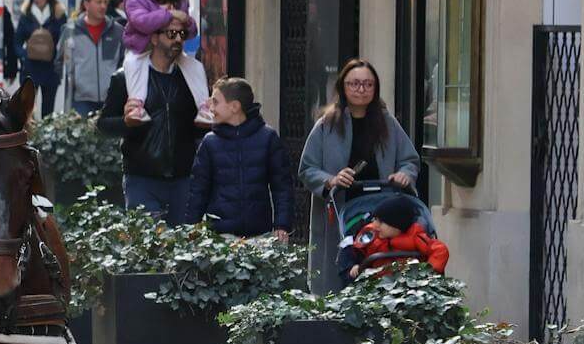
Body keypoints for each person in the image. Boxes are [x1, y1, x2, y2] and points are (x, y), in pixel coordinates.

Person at [298, 58, 423, 287]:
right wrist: (331, 180)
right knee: (340, 274)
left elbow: (409, 160)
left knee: (380, 270)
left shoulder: (387, 122)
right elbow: (307, 168)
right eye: (354, 84)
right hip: (341, 210)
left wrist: (405, 174)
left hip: (381, 212)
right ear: (342, 87)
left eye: (368, 84)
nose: (361, 89)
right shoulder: (327, 124)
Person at [96, 10, 210, 222]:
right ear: (155, 37)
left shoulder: (191, 79)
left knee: (184, 249)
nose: (178, 39)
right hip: (142, 178)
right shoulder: (126, 78)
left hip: (183, 178)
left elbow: (195, 127)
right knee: (149, 249)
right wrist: (127, 123)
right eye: (172, 33)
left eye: (182, 34)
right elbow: (102, 125)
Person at [187, 77, 292, 240]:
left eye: (215, 102)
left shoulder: (267, 137)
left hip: (260, 234)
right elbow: (197, 191)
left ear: (235, 106)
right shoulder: (210, 143)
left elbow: (282, 186)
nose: (210, 107)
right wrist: (191, 228)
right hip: (220, 236)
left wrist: (282, 224)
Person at [340, 192, 448, 282]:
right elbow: (352, 248)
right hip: (376, 285)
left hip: (409, 283)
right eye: (375, 219)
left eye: (381, 222)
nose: (375, 225)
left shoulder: (416, 236)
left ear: (397, 226)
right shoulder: (371, 235)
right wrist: (353, 266)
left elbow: (439, 250)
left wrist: (428, 272)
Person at [59, 0, 123, 116]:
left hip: (110, 99)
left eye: (105, 2)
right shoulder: (71, 30)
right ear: (86, 4)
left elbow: (123, 63)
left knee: (108, 136)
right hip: (81, 100)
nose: (103, 6)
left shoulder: (118, 31)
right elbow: (59, 61)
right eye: (98, 2)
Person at [14, 0, 66, 118]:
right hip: (30, 68)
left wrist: (58, 59)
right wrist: (24, 56)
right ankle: (29, 137)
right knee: (27, 110)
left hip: (50, 69)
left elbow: (64, 40)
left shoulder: (58, 15)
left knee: (48, 113)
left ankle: (45, 138)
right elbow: (17, 41)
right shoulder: (26, 15)